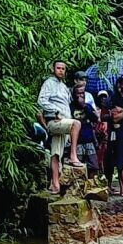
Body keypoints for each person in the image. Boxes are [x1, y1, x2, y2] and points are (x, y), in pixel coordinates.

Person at [38, 60, 84, 195]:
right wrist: (55, 111)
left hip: (63, 123)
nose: (61, 71)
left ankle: (55, 184)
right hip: (55, 121)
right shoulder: (49, 83)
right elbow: (41, 100)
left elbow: (67, 106)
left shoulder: (64, 87)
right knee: (76, 124)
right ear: (53, 69)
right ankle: (73, 156)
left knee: (56, 154)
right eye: (58, 68)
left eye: (63, 69)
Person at [70, 84, 100, 177]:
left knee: (93, 166)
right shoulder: (70, 107)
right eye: (78, 93)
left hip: (89, 140)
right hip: (77, 142)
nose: (80, 96)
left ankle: (92, 187)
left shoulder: (88, 106)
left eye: (82, 93)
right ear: (74, 95)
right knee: (78, 168)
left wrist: (85, 107)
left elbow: (95, 119)